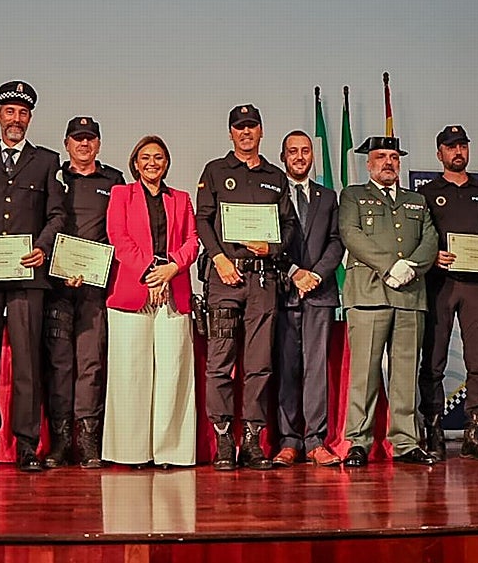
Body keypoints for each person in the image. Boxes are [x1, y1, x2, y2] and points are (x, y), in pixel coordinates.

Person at [0, 81, 66, 472]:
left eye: (22, 112)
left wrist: (43, 245)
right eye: (9, 111)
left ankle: (26, 445)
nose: (15, 119)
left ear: (29, 118)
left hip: (27, 276)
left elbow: (57, 215)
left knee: (27, 364)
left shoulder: (47, 161)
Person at [196, 104, 297, 470]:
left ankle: (253, 440)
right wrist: (219, 259)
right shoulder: (215, 171)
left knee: (259, 364)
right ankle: (224, 437)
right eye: (239, 128)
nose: (246, 133)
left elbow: (288, 228)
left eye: (251, 126)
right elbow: (202, 221)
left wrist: (272, 248)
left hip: (263, 280)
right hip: (224, 280)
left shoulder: (275, 176)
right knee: (220, 363)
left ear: (261, 131)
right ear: (230, 133)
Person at [338, 136, 438, 467]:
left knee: (406, 374)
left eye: (394, 157)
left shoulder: (416, 200)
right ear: (369, 163)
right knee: (364, 374)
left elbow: (430, 239)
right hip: (368, 293)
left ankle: (406, 441)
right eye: (381, 157)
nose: (388, 162)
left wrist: (410, 267)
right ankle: (358, 441)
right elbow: (351, 235)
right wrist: (389, 265)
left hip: (409, 294)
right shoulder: (353, 195)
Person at [102, 135, 198, 467]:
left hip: (173, 291)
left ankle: (171, 452)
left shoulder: (181, 199)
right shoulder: (121, 195)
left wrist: (170, 269)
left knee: (173, 372)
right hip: (132, 292)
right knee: (130, 373)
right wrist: (150, 272)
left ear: (166, 162)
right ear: (135, 163)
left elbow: (192, 241)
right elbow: (119, 238)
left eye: (158, 157)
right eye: (145, 158)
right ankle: (131, 453)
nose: (152, 163)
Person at [418, 125, 478, 461]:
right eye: (450, 146)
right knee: (433, 361)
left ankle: (474, 432)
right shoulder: (426, 193)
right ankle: (434, 431)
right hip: (440, 284)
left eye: (462, 146)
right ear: (439, 153)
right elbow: (417, 241)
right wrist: (432, 258)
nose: (458, 152)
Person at [43, 116, 125, 468]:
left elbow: (119, 231)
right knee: (60, 365)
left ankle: (88, 438)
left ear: (99, 144)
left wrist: (95, 270)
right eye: (77, 138)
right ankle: (61, 441)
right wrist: (59, 271)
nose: (84, 144)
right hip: (57, 286)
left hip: (95, 287)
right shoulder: (54, 178)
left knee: (90, 364)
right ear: (66, 143)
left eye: (90, 138)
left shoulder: (115, 181)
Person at [272, 131, 344, 467]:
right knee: (287, 368)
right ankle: (289, 441)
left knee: (316, 370)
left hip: (320, 293)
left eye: (305, 151)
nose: (300, 156)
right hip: (283, 292)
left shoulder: (328, 197)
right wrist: (294, 272)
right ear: (283, 156)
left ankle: (315, 441)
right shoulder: (271, 193)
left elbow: (336, 242)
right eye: (293, 151)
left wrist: (314, 275)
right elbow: (268, 241)